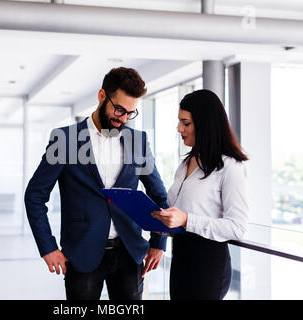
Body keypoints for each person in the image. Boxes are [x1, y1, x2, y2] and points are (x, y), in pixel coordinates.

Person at [25, 67, 168, 300]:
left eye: (130, 113)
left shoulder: (138, 142)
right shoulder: (65, 140)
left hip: (129, 254)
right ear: (102, 96)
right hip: (82, 254)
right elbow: (35, 195)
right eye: (119, 109)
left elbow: (159, 195)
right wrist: (48, 247)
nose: (123, 119)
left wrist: (159, 242)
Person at [151, 89, 249, 300]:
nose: (179, 129)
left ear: (205, 124)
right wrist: (160, 219)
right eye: (179, 122)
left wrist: (187, 220)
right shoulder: (186, 162)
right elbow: (177, 211)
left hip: (208, 266)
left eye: (186, 123)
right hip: (180, 261)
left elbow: (237, 227)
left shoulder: (231, 167)